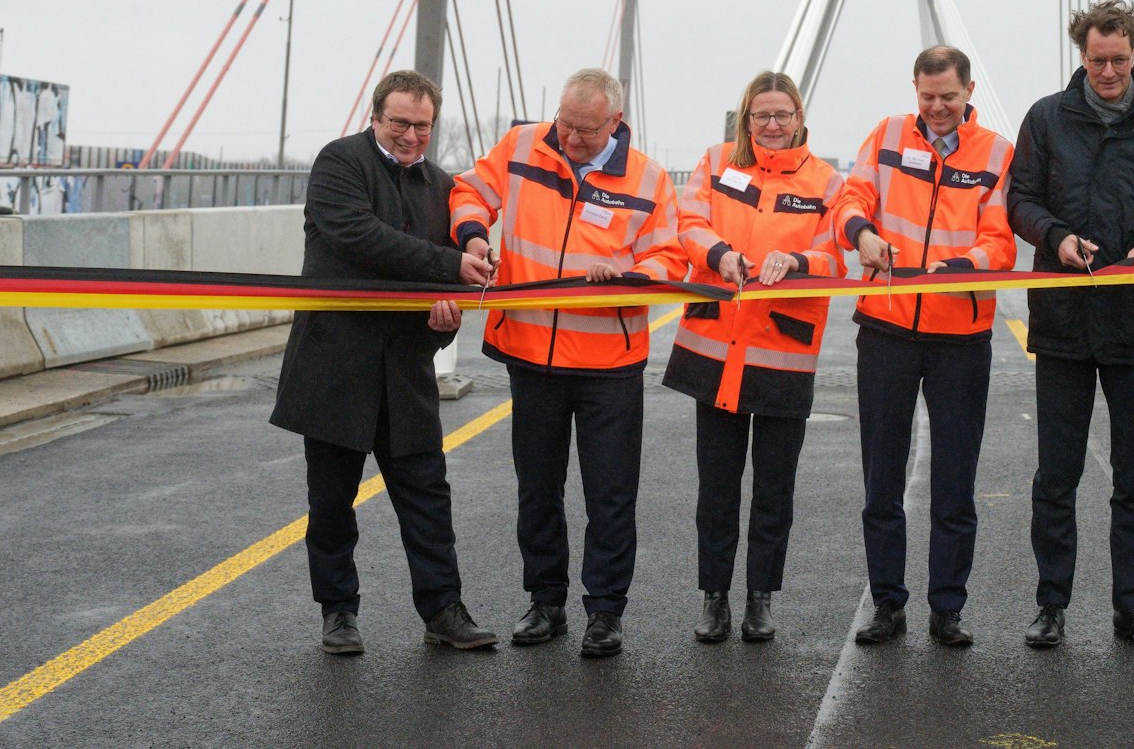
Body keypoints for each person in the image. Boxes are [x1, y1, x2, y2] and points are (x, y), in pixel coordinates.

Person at [449, 67, 684, 658]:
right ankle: (545, 602)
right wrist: (475, 235)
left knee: (610, 494)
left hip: (609, 360)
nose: (570, 139)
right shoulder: (524, 144)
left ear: (614, 122)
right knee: (538, 488)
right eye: (565, 124)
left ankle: (605, 612)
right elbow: (469, 190)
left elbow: (671, 258)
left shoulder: (649, 179)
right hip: (531, 353)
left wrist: (628, 276)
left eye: (584, 130)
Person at [270, 69, 500, 655]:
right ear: (376, 116)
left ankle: (443, 609)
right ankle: (338, 612)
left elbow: (455, 251)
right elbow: (358, 237)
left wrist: (449, 301)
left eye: (422, 125)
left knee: (428, 498)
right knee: (330, 505)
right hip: (333, 366)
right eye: (399, 122)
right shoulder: (338, 163)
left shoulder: (440, 183)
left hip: (405, 369)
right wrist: (449, 267)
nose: (410, 135)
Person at [1006, 0, 1134, 650]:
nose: (1109, 69)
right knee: (1055, 475)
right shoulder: (1045, 118)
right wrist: (1056, 238)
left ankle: (1132, 607)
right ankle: (1051, 604)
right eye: (1098, 59)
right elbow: (1020, 200)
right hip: (1062, 322)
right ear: (1081, 56)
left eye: (1119, 58)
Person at [835, 46, 1016, 647]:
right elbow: (851, 199)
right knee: (880, 479)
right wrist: (862, 234)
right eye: (927, 96)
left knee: (955, 480)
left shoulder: (995, 152)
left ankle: (948, 607)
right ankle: (887, 604)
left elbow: (1001, 243)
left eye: (949, 97)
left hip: (960, 337)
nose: (938, 108)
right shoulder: (886, 135)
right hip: (886, 329)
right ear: (914, 89)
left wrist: (959, 265)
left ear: (969, 93)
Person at [663, 72, 846, 644]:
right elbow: (687, 222)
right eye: (761, 115)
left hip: (781, 354)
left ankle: (760, 599)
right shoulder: (716, 164)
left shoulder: (826, 181)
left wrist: (796, 261)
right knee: (716, 487)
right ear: (746, 119)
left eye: (782, 116)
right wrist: (720, 256)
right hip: (715, 350)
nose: (771, 125)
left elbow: (837, 256)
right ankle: (713, 599)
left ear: (799, 119)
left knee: (774, 489)